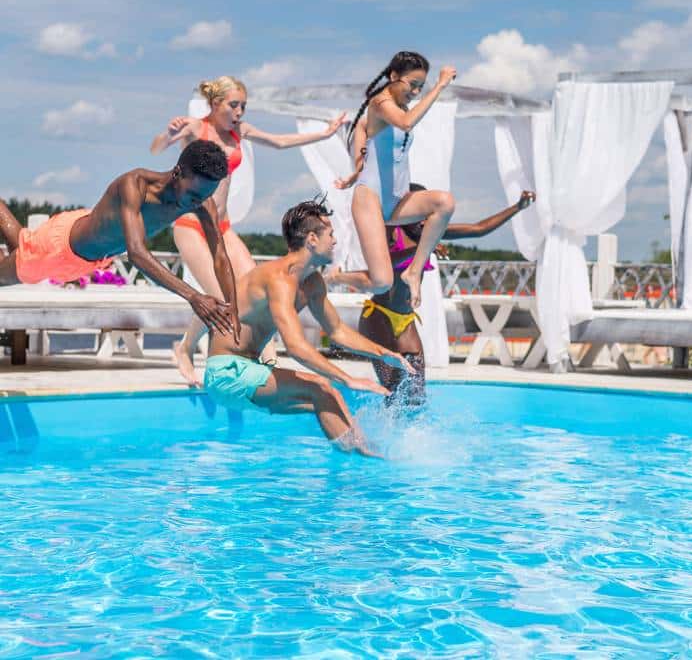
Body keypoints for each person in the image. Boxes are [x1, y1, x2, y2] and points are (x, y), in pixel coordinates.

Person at [151, 75, 348, 386]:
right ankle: (186, 349)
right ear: (215, 104)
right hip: (191, 224)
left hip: (223, 226)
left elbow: (280, 142)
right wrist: (168, 133)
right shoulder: (194, 127)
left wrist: (325, 134)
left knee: (251, 287)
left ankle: (258, 351)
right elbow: (156, 149)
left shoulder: (239, 132)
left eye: (243, 105)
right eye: (234, 105)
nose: (240, 112)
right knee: (218, 296)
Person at [204, 197, 415, 457]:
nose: (335, 240)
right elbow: (295, 347)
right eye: (331, 234)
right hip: (226, 372)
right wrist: (348, 378)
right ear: (312, 239)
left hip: (252, 370)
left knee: (330, 398)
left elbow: (337, 330)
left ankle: (365, 459)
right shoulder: (279, 279)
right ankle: (363, 462)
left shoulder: (312, 282)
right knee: (322, 387)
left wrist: (382, 353)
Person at [0, 141, 239, 337]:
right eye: (194, 194)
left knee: (20, 246)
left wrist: (234, 309)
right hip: (58, 249)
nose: (198, 202)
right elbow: (136, 253)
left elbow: (219, 256)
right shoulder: (135, 185)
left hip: (88, 257)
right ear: (177, 172)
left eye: (205, 196)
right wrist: (194, 296)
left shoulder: (202, 203)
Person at [330, 186, 536, 406]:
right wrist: (421, 250)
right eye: (420, 215)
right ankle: (383, 436)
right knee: (393, 390)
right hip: (379, 317)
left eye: (428, 216)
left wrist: (517, 207)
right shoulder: (391, 232)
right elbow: (384, 268)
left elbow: (478, 229)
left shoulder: (429, 232)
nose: (424, 221)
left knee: (416, 394)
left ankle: (412, 439)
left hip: (406, 320)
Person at [341, 51, 457, 310]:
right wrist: (439, 86)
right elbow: (405, 124)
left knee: (445, 203)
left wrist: (355, 169)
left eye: (421, 86)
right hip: (369, 198)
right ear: (394, 76)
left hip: (397, 200)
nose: (416, 92)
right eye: (412, 85)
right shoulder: (380, 103)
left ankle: (413, 271)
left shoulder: (400, 106)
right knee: (382, 282)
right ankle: (335, 276)